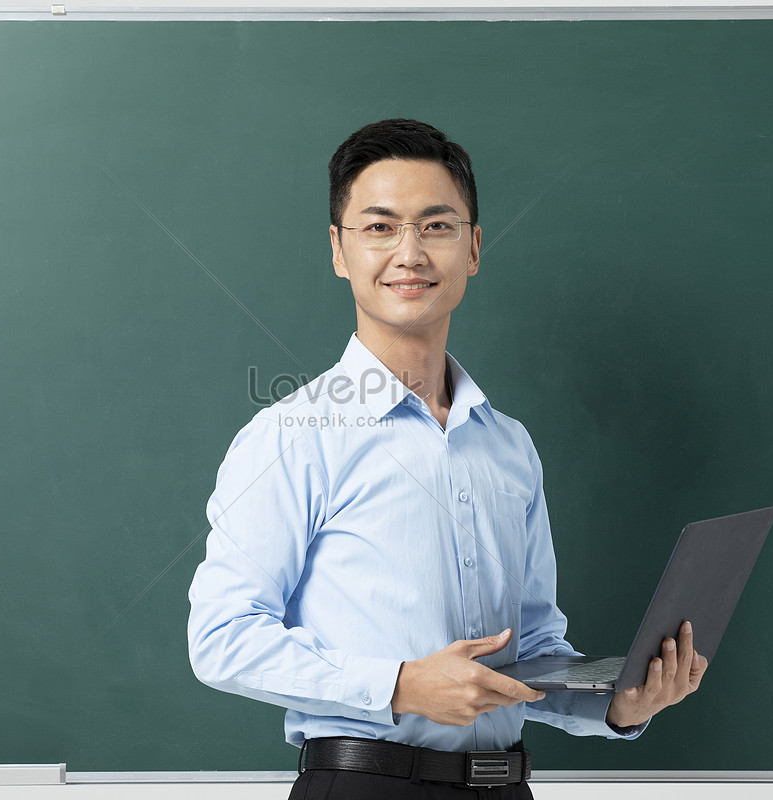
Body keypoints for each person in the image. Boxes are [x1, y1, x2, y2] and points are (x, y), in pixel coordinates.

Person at [187, 119, 707, 799]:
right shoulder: (292, 434)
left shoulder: (508, 445)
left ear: (474, 248)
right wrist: (402, 685)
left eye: (437, 226)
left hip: (504, 787)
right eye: (379, 228)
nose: (410, 252)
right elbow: (222, 637)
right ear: (339, 252)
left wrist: (615, 706)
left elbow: (531, 656)